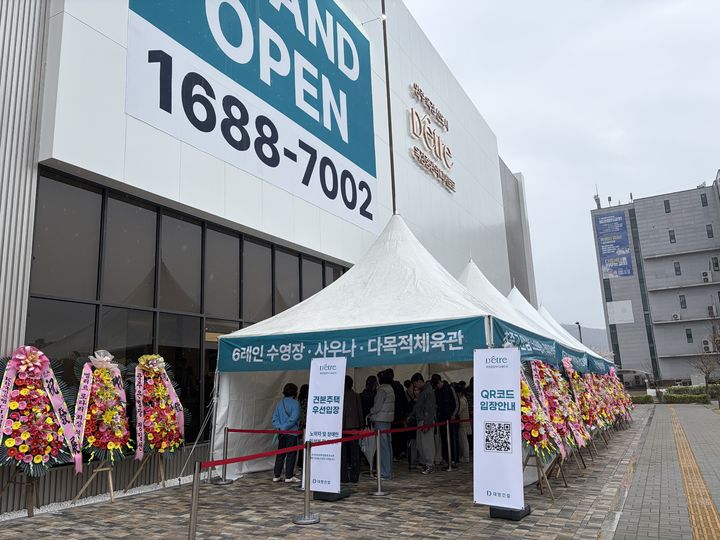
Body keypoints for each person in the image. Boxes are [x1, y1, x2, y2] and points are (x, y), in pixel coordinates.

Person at [271, 383, 301, 483]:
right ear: (295, 392)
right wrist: (285, 427)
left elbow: (274, 418)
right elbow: (294, 418)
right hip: (292, 433)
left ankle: (277, 475)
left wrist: (280, 427)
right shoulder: (295, 403)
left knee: (280, 453)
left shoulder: (280, 402)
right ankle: (289, 476)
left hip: (281, 433)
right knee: (291, 454)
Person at [409, 372, 437, 474]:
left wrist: (427, 423)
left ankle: (430, 465)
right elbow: (418, 406)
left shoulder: (428, 392)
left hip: (425, 421)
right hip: (420, 420)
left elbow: (430, 409)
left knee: (427, 444)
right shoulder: (423, 392)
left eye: (415, 383)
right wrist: (412, 416)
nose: (415, 386)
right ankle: (426, 464)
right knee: (421, 445)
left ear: (419, 381)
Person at [369, 370, 395, 480]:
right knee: (388, 446)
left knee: (382, 447)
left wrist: (370, 412)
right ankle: (388, 471)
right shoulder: (390, 388)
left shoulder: (381, 390)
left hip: (380, 419)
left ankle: (385, 473)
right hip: (388, 419)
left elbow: (377, 407)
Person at [433, 374, 459, 469]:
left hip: (450, 419)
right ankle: (448, 460)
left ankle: (453, 460)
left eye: (437, 384)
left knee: (452, 440)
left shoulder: (449, 388)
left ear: (440, 381)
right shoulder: (436, 391)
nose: (437, 386)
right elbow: (436, 405)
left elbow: (456, 402)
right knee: (444, 441)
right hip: (441, 420)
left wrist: (454, 414)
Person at [341, 375, 363, 483]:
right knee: (355, 453)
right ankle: (354, 476)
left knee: (343, 453)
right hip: (354, 427)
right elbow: (360, 411)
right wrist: (361, 425)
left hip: (342, 427)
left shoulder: (339, 395)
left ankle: (343, 476)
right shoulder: (356, 395)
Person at [456, 386, 471, 463]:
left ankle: (466, 457)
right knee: (463, 440)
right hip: (464, 422)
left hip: (463, 422)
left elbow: (458, 411)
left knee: (464, 440)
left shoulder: (462, 401)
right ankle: (465, 456)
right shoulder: (464, 399)